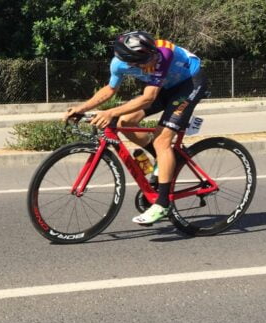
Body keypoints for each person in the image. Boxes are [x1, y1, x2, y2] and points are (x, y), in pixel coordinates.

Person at [63, 31, 208, 225]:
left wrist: (110, 113)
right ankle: (162, 159)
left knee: (162, 140)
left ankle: (163, 204)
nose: (153, 61)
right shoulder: (118, 64)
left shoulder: (162, 53)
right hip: (165, 88)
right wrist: (82, 108)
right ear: (131, 62)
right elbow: (110, 90)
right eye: (147, 60)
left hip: (189, 83)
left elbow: (148, 98)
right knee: (125, 123)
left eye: (153, 55)